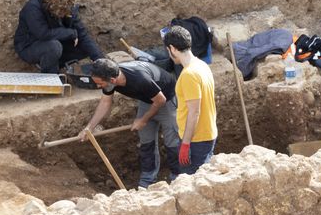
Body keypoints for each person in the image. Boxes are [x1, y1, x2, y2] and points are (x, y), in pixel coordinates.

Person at [80, 58, 181, 188]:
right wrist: (89, 127)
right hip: (148, 100)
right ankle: (148, 179)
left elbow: (160, 100)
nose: (98, 86)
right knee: (146, 141)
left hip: (167, 99)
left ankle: (177, 177)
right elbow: (105, 102)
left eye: (100, 84)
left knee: (172, 140)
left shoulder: (139, 79)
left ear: (112, 80)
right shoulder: (109, 77)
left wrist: (143, 119)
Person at [163, 26, 218, 175]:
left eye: (168, 51)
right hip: (206, 134)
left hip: (197, 140)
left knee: (193, 185)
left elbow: (194, 112)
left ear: (172, 49)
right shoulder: (202, 66)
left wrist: (185, 144)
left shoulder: (189, 75)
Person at [14, 0, 104, 74]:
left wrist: (101, 61)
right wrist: (70, 33)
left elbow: (82, 35)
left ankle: (53, 63)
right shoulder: (32, 8)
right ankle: (50, 76)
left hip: (55, 41)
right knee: (54, 47)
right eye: (61, 13)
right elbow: (43, 34)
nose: (63, 15)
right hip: (29, 46)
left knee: (86, 47)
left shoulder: (69, 7)